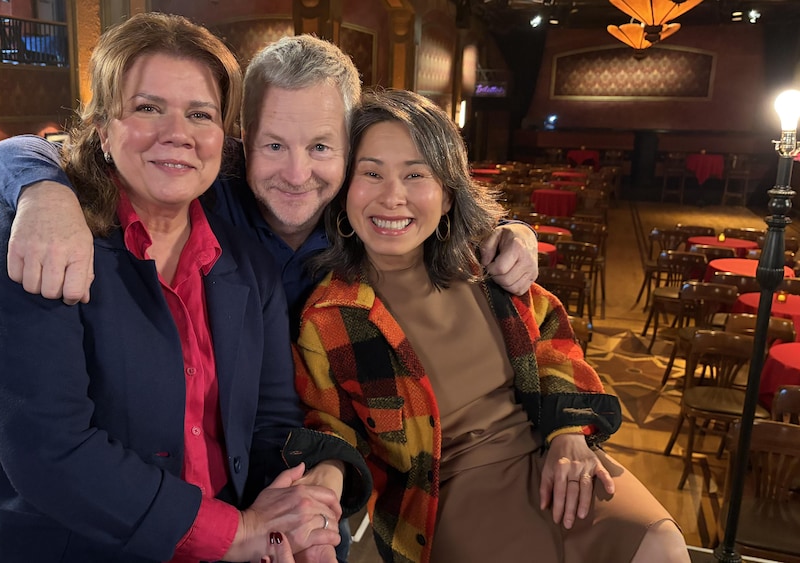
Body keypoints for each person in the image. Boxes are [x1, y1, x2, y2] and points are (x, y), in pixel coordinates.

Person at [0, 32, 541, 557]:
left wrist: (504, 233)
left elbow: (434, 214)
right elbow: (29, 150)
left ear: (349, 148)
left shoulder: (364, 227)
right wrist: (42, 189)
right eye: (274, 144)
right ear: (242, 141)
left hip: (286, 469)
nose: (297, 174)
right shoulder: (208, 196)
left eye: (322, 147)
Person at [0, 13, 371, 563]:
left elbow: (269, 421)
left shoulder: (253, 258)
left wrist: (301, 517)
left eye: (199, 114)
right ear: (102, 126)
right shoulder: (38, 238)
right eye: (148, 108)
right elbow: (51, 452)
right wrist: (238, 533)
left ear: (221, 139)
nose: (177, 133)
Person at [293, 89, 690, 563]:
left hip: (547, 452)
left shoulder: (487, 266)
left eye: (416, 174)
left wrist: (570, 435)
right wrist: (330, 471)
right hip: (445, 494)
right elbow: (331, 423)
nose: (392, 196)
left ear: (446, 196)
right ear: (343, 191)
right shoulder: (330, 313)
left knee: (659, 542)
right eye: (371, 173)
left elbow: (553, 343)